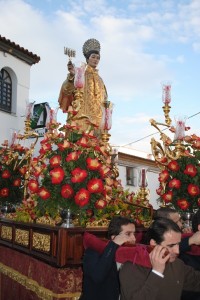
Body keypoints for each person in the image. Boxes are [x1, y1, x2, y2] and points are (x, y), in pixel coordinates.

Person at [120, 217, 200, 300]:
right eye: (171, 246)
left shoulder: (177, 264)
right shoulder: (131, 267)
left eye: (178, 244)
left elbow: (196, 281)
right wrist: (157, 272)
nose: (177, 251)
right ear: (153, 243)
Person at [80, 216, 136, 300]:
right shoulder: (92, 252)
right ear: (114, 237)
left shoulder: (133, 255)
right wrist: (113, 245)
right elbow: (97, 276)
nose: (134, 238)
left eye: (134, 234)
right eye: (128, 234)